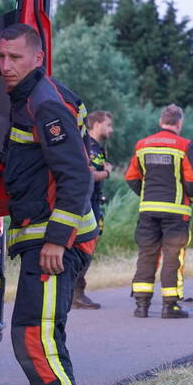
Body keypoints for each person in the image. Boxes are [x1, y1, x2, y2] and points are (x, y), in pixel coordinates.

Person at [0, 24, 97, 385]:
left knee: (33, 335)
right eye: (1, 57)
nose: (6, 66)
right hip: (45, 238)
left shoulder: (44, 104)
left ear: (38, 58)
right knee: (44, 332)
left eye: (15, 58)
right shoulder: (34, 97)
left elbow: (76, 176)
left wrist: (57, 239)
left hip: (56, 243)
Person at [124, 105, 193, 319]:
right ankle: (170, 306)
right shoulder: (184, 146)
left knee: (146, 254)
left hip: (148, 209)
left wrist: (145, 195)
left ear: (161, 122)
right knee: (172, 257)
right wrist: (191, 197)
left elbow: (130, 177)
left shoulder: (142, 145)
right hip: (176, 212)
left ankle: (141, 306)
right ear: (179, 123)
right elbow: (192, 181)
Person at [73, 110, 114, 310]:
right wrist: (106, 173)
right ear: (97, 124)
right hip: (88, 203)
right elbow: (88, 175)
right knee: (85, 247)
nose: (111, 130)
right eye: (108, 125)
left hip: (95, 201)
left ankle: (76, 292)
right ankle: (76, 293)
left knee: (88, 247)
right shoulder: (89, 146)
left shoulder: (96, 146)